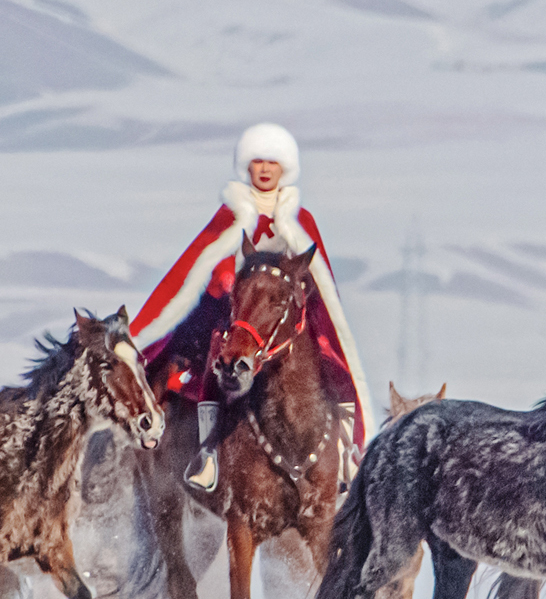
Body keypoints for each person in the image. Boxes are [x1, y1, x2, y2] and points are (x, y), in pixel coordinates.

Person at [130, 122, 372, 491]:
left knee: (332, 360)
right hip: (240, 313)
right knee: (218, 357)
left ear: (284, 168)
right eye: (258, 161)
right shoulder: (231, 215)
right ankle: (208, 455)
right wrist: (228, 279)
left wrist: (300, 295)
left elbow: (317, 276)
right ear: (247, 166)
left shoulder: (301, 220)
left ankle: (345, 455)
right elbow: (205, 262)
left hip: (286, 316)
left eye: (272, 162)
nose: (264, 169)